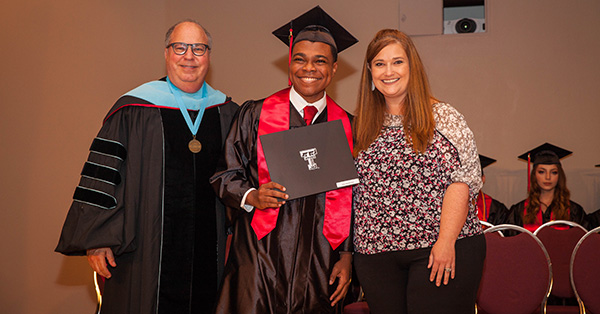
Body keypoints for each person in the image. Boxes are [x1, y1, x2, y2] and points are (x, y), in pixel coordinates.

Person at [55, 20, 238, 314]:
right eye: (180, 47)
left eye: (198, 48)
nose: (189, 56)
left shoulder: (228, 113)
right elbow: (103, 177)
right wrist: (98, 239)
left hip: (211, 253)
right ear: (166, 53)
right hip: (145, 250)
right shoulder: (133, 110)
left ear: (209, 56)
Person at [210, 6, 357, 313]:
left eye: (320, 61)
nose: (309, 68)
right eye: (300, 59)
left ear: (334, 68)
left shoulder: (349, 127)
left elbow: (357, 198)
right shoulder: (254, 114)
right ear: (289, 64)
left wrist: (347, 256)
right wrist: (252, 195)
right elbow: (225, 175)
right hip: (259, 252)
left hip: (321, 259)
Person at [351, 29, 485, 314]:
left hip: (440, 249)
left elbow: (462, 181)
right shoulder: (359, 126)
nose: (389, 71)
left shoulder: (444, 117)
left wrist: (446, 242)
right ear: (369, 71)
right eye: (379, 63)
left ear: (412, 66)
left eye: (397, 62)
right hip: (376, 258)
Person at [507, 143, 589, 232]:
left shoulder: (574, 210)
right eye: (542, 172)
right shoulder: (519, 210)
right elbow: (511, 243)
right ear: (534, 175)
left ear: (559, 176)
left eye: (554, 172)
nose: (548, 177)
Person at [476, 155, 509, 225]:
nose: (470, 181)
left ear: (483, 179)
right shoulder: (450, 206)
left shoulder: (497, 209)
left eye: (475, 176)